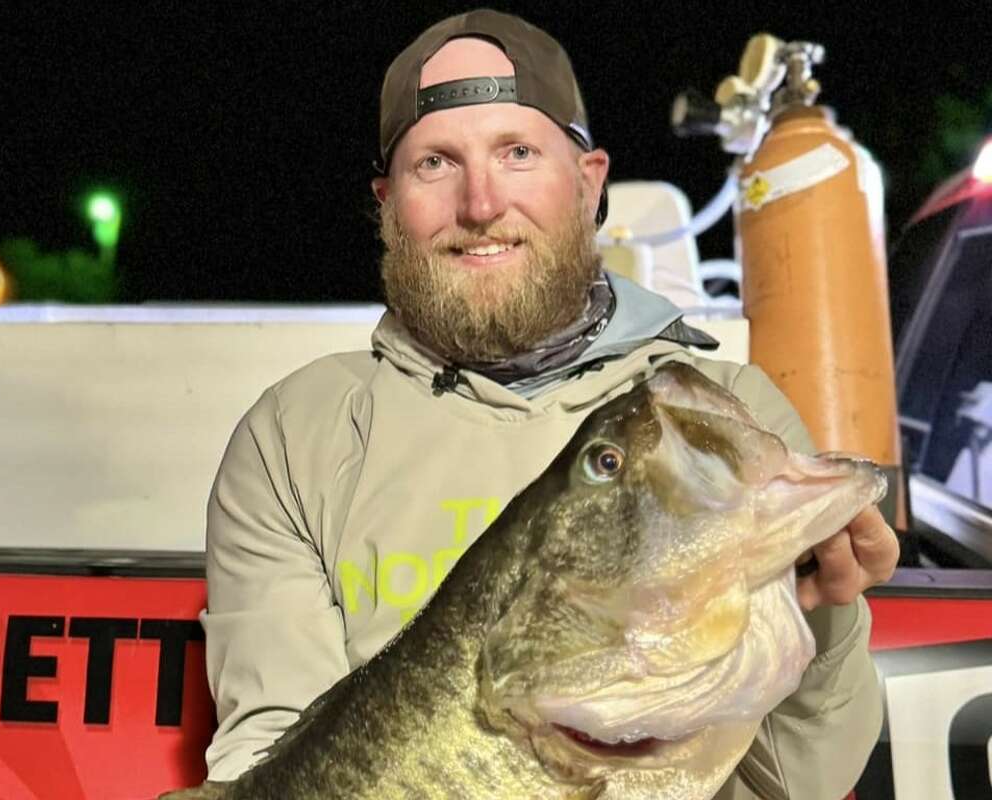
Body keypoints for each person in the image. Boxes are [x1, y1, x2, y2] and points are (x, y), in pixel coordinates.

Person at [200, 9, 899, 799]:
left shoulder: (716, 423)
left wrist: (830, 615)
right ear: (388, 201)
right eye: (436, 163)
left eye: (518, 152)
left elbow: (804, 780)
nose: (481, 203)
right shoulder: (296, 436)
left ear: (590, 180)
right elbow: (269, 753)